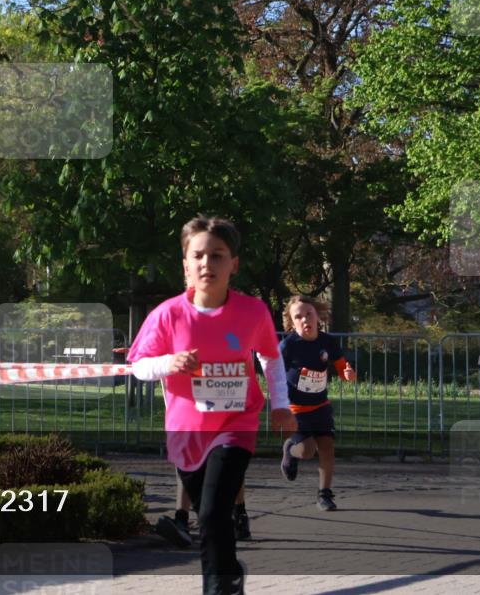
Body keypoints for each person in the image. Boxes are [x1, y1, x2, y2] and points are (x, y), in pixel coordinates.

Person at [128, 216, 294, 595]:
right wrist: (168, 363)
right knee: (211, 517)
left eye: (217, 255)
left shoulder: (253, 312)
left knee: (213, 511)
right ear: (185, 265)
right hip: (187, 431)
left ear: (233, 263)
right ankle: (230, 571)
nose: (207, 264)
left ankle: (216, 588)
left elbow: (270, 358)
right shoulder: (168, 314)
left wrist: (280, 404)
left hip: (236, 425)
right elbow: (139, 366)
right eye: (198, 256)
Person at [279, 295, 357, 511]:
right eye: (298, 317)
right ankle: (290, 450)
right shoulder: (288, 346)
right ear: (291, 323)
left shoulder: (327, 342)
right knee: (307, 451)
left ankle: (325, 494)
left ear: (317, 316)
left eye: (309, 314)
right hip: (296, 408)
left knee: (327, 447)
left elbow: (342, 367)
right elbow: (273, 374)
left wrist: (349, 374)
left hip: (320, 406)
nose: (305, 319)